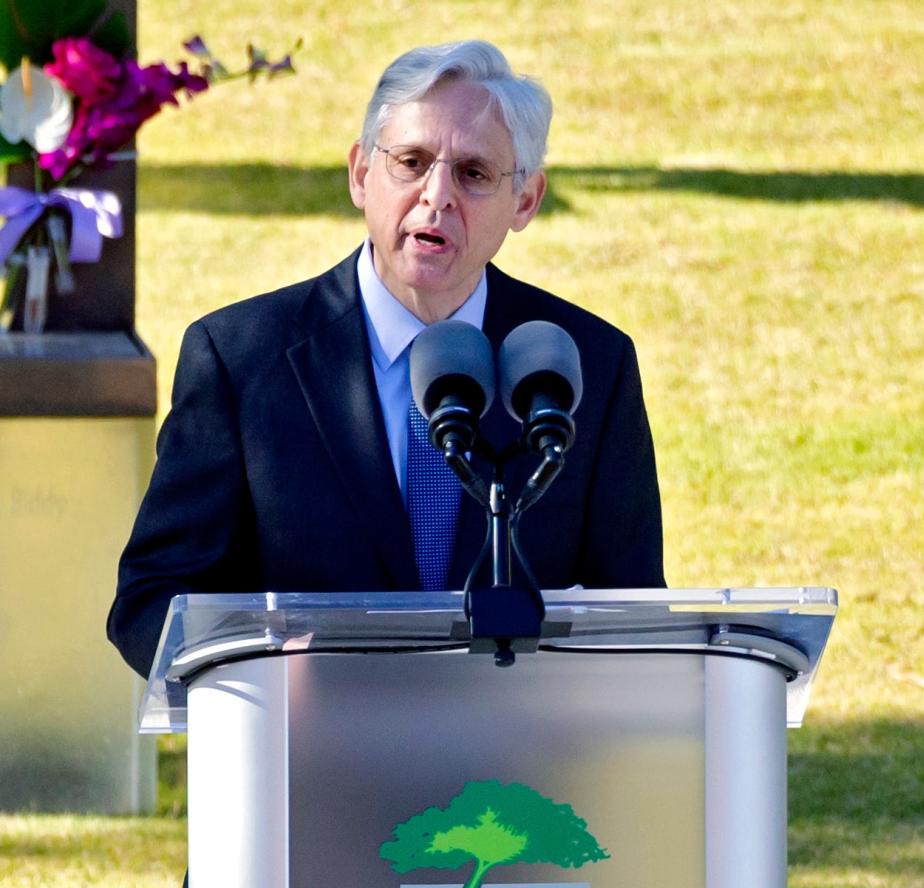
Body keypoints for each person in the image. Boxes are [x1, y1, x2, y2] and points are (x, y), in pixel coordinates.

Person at [107, 39, 665, 681]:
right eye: (411, 161)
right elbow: (150, 603)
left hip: (517, 772)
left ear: (526, 201)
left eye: (474, 173)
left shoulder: (586, 365)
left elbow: (635, 616)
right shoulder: (242, 360)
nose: (437, 196)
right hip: (307, 764)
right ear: (360, 174)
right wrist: (260, 669)